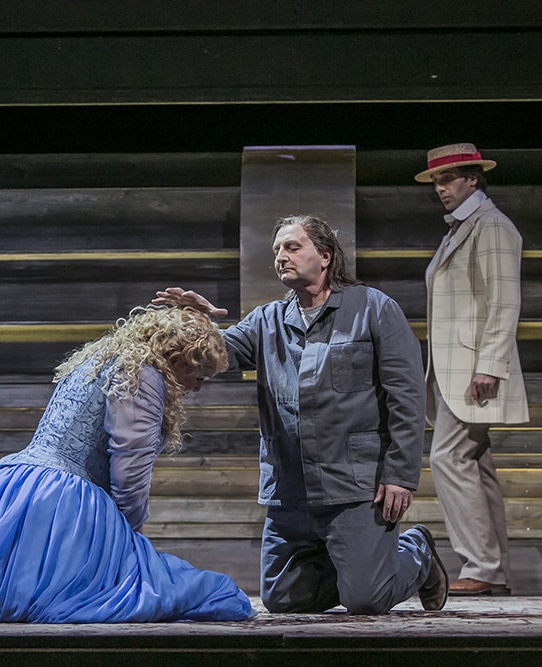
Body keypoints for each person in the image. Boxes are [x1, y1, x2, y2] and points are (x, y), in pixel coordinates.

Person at [0, 305, 254, 623]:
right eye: (197, 375)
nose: (197, 388)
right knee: (213, 593)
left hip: (12, 488)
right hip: (64, 505)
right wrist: (127, 529)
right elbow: (129, 465)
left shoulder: (98, 359)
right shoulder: (144, 376)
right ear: (173, 358)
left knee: (0, 594)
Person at [154, 214, 448, 615]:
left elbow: (407, 397)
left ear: (325, 256)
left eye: (292, 247)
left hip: (353, 487)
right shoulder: (266, 320)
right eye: (276, 249)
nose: (281, 256)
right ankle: (360, 565)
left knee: (367, 599)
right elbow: (214, 356)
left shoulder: (374, 309)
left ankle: (417, 552)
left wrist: (400, 474)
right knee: (282, 599)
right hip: (291, 492)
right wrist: (195, 323)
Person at [414, 143, 530, 596]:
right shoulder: (462, 229)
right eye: (437, 183)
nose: (441, 189)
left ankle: (481, 565)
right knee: (475, 462)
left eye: (448, 180)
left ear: (472, 179)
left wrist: (491, 366)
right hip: (452, 367)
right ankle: (492, 571)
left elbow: (504, 303)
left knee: (449, 457)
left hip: (471, 368)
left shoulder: (493, 226)